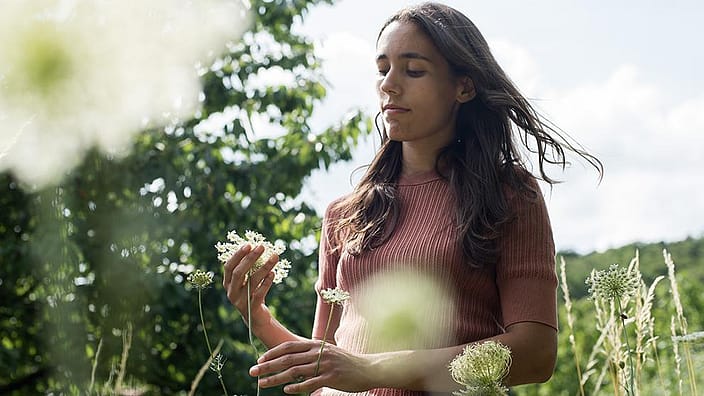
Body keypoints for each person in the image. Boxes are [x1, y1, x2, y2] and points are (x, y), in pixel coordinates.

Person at [223, 2, 602, 395]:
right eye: (382, 69)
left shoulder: (508, 194)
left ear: (464, 86)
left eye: (414, 70)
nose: (389, 84)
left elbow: (535, 353)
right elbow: (329, 367)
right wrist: (257, 316)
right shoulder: (344, 214)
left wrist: (376, 369)